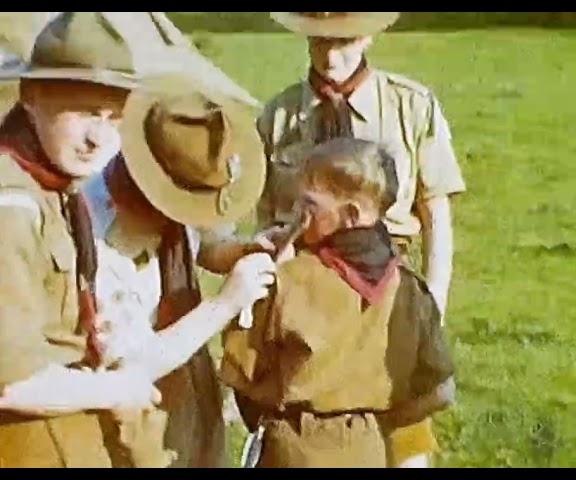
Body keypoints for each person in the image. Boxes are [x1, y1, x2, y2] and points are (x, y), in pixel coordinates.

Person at [0, 13, 271, 468]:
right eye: (83, 112)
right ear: (32, 98)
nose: (96, 137)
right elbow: (11, 380)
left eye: (112, 119)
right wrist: (118, 386)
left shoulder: (54, 184)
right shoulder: (14, 207)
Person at [206, 12, 466, 468]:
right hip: (306, 305)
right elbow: (268, 218)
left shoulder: (410, 106)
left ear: (367, 36)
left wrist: (434, 301)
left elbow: (436, 213)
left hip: (383, 292)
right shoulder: (281, 115)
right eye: (318, 41)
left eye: (342, 42)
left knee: (404, 437)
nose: (329, 55)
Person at [220, 138, 456, 468]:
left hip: (293, 451)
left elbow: (241, 371)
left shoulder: (289, 280)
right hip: (369, 450)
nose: (297, 215)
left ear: (350, 214)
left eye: (310, 206)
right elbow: (437, 392)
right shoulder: (410, 291)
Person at [82, 72, 273, 468]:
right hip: (129, 414)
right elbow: (132, 365)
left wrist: (244, 251)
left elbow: (203, 244)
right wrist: (226, 304)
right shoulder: (93, 238)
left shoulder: (177, 170)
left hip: (188, 383)